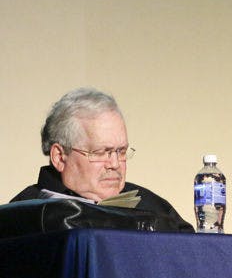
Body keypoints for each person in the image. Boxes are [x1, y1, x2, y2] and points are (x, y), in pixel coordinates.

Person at [10, 87, 193, 232]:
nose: (114, 164)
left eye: (121, 151)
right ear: (59, 157)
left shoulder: (152, 208)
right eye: (100, 152)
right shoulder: (22, 217)